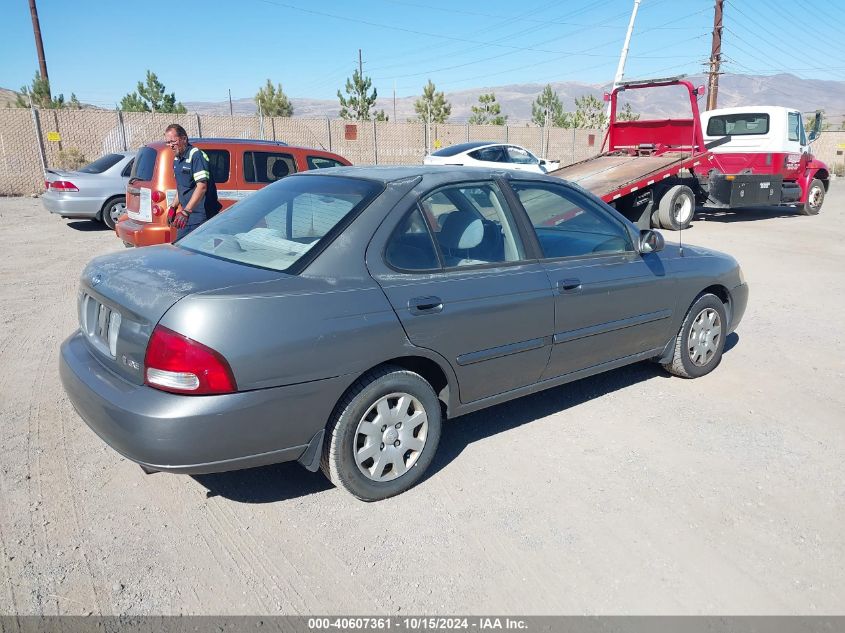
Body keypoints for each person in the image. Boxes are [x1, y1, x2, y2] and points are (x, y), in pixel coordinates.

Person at [163, 124, 221, 239]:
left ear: (184, 139)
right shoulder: (177, 159)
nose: (170, 145)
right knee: (182, 251)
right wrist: (173, 207)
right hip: (187, 218)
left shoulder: (196, 155)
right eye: (168, 142)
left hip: (201, 217)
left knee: (190, 252)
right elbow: (182, 187)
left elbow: (202, 187)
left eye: (173, 141)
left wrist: (186, 212)